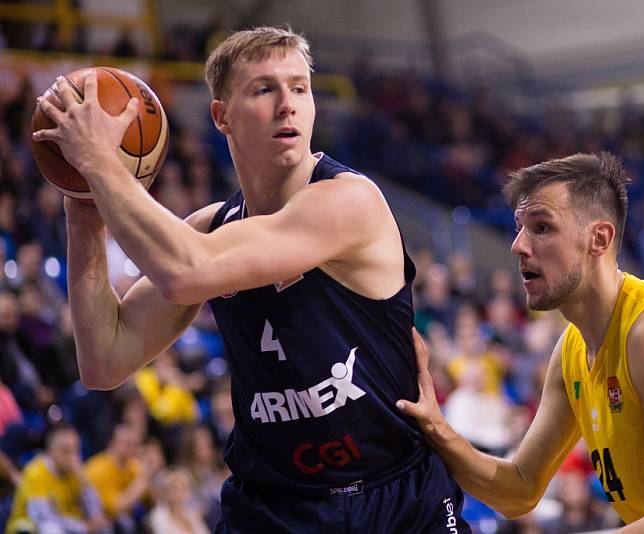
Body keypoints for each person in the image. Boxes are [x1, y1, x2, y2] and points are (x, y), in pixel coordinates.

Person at [32, 26, 468, 533]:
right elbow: (105, 359)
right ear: (221, 116)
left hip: (394, 496)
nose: (288, 104)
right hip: (275, 507)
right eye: (264, 89)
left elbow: (185, 271)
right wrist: (83, 206)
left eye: (299, 88)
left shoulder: (350, 200)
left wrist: (100, 162)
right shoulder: (212, 229)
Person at [397, 153, 644, 533]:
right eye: (519, 227)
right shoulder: (572, 349)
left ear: (599, 239)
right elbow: (519, 489)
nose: (518, 245)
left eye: (541, 227)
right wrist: (436, 428)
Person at [6, 423, 109, 533]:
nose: (72, 457)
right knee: (51, 529)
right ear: (50, 450)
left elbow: (97, 516)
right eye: (65, 450)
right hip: (29, 529)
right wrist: (83, 527)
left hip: (70, 526)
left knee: (104, 528)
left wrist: (85, 482)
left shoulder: (76, 472)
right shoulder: (36, 474)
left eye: (75, 450)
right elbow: (44, 519)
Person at [85, 423, 163, 533]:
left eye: (135, 444)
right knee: (124, 522)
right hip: (98, 522)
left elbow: (156, 503)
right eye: (128, 443)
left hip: (121, 521)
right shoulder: (98, 468)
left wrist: (152, 473)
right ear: (111, 442)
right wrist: (145, 477)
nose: (133, 448)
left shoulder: (132, 466)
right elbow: (115, 509)